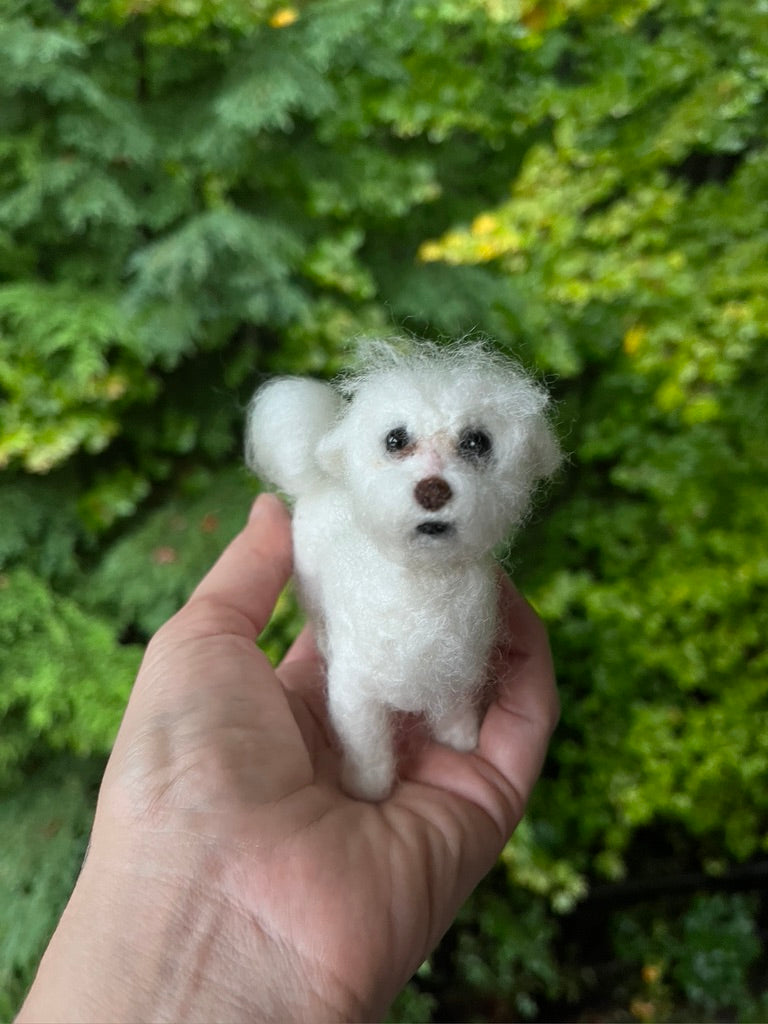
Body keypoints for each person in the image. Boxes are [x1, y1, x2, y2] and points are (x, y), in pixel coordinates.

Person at [17, 493, 559, 1024]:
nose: (433, 481)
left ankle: (445, 720)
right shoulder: (348, 555)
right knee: (357, 671)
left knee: (459, 665)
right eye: (399, 445)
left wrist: (457, 720)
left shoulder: (472, 583)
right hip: (354, 649)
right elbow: (349, 680)